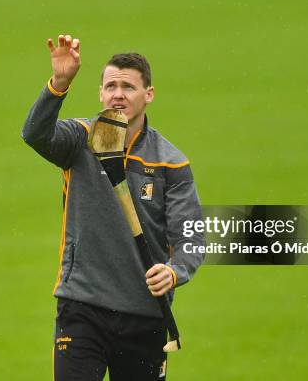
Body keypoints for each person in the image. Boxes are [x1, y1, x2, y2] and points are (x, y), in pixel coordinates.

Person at [22, 34, 205, 381]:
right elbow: (35, 134)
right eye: (110, 86)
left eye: (128, 86)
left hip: (145, 316)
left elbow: (191, 240)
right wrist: (58, 85)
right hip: (81, 307)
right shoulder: (80, 139)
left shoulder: (171, 164)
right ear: (101, 93)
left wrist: (173, 272)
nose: (118, 94)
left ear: (148, 95)